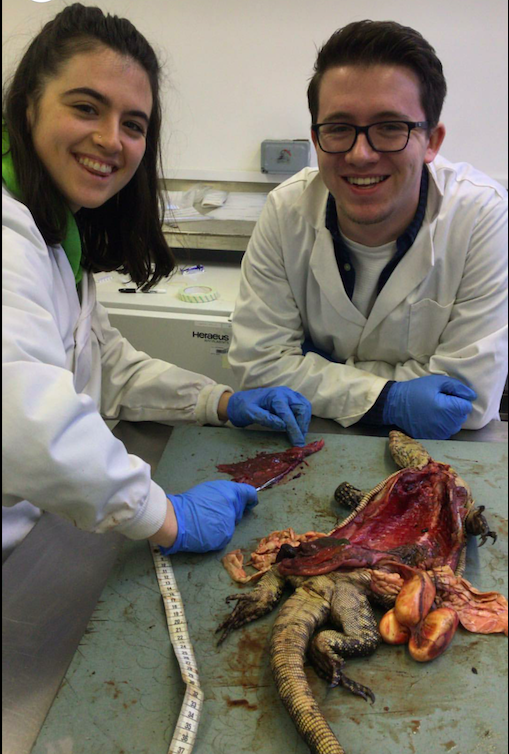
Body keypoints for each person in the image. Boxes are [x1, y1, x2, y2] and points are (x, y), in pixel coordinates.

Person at [2, 4, 312, 563]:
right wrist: (165, 516)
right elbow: (24, 415)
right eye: (85, 107)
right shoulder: (7, 232)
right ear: (28, 107)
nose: (110, 139)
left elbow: (104, 366)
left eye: (133, 125)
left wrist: (219, 400)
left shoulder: (56, 233)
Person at [229, 20, 508, 441]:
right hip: (310, 443)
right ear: (316, 138)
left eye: (390, 127)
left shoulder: (481, 215)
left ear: (432, 141)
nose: (361, 154)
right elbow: (258, 368)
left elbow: (467, 399)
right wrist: (391, 399)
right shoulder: (286, 210)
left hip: (442, 453)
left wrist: (314, 372)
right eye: (339, 128)